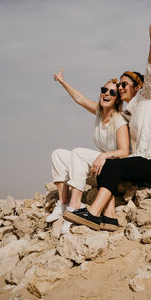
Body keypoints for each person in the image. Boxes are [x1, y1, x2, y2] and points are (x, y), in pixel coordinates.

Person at [63, 17, 151, 230]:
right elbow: (85, 102)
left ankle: (92, 213)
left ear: (138, 86)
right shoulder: (125, 114)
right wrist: (63, 82)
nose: (120, 88)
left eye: (124, 84)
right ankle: (109, 219)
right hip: (144, 161)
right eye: (119, 86)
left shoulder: (147, 96)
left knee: (112, 162)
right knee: (109, 165)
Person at [48, 70, 130, 233]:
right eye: (104, 90)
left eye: (112, 92)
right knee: (58, 154)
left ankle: (75, 206)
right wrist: (63, 82)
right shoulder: (99, 113)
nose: (107, 94)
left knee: (77, 152)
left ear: (117, 99)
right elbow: (79, 98)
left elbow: (124, 152)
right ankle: (63, 203)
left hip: (112, 169)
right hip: (99, 167)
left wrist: (104, 155)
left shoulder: (119, 120)